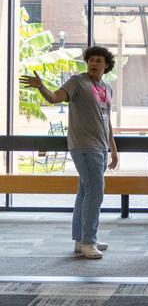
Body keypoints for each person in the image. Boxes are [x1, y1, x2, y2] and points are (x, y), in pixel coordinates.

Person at [20, 46, 119, 259]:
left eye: (98, 60)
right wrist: (41, 87)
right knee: (96, 193)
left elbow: (107, 121)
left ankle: (81, 240)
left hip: (101, 147)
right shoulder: (77, 82)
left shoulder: (106, 88)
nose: (93, 63)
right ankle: (88, 241)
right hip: (84, 146)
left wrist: (114, 149)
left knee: (85, 193)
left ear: (106, 65)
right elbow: (54, 98)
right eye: (91, 59)